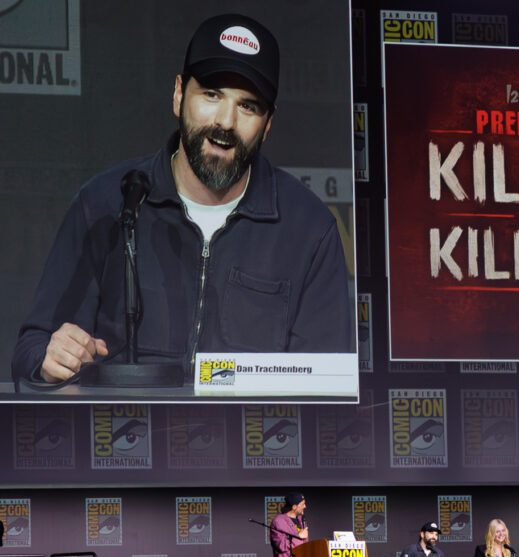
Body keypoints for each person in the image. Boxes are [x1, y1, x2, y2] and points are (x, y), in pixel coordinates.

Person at [11, 13, 352, 384]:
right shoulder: (106, 204)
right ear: (178, 94)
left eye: (248, 106)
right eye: (211, 94)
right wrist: (50, 359)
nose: (225, 121)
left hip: (246, 441)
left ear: (268, 124)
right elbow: (32, 349)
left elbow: (327, 388)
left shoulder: (308, 230)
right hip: (122, 438)